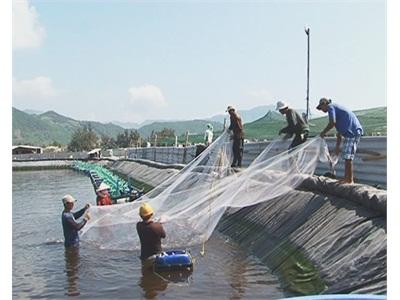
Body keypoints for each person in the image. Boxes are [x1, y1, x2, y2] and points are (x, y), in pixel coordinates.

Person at [316, 97, 363, 184]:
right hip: (349, 133)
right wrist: (338, 144)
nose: (321, 110)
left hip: (352, 132)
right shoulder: (335, 108)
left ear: (324, 104)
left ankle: (349, 180)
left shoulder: (331, 107)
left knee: (348, 157)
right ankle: (347, 178)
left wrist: (323, 132)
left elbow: (332, 122)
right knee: (346, 156)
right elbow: (340, 129)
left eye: (321, 108)